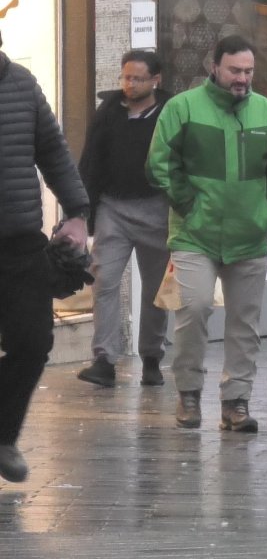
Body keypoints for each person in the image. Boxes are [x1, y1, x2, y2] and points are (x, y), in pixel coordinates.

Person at [146, 34, 267, 432]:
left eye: (248, 70)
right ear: (214, 67)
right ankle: (189, 394)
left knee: (245, 322)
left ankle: (236, 402)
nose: (242, 77)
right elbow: (160, 164)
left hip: (249, 236)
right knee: (192, 310)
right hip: (194, 234)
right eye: (234, 70)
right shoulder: (182, 109)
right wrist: (191, 207)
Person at [0, 31, 90, 483]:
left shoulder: (21, 84)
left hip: (19, 244)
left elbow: (53, 151)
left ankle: (2, 435)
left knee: (33, 344)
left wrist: (76, 212)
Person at [76, 49, 173, 388]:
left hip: (156, 209)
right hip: (112, 208)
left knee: (156, 289)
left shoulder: (170, 112)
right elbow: (90, 160)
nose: (129, 84)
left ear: (156, 80)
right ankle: (104, 358)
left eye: (137, 78)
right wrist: (84, 211)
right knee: (104, 279)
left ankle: (151, 357)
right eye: (125, 77)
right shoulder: (109, 111)